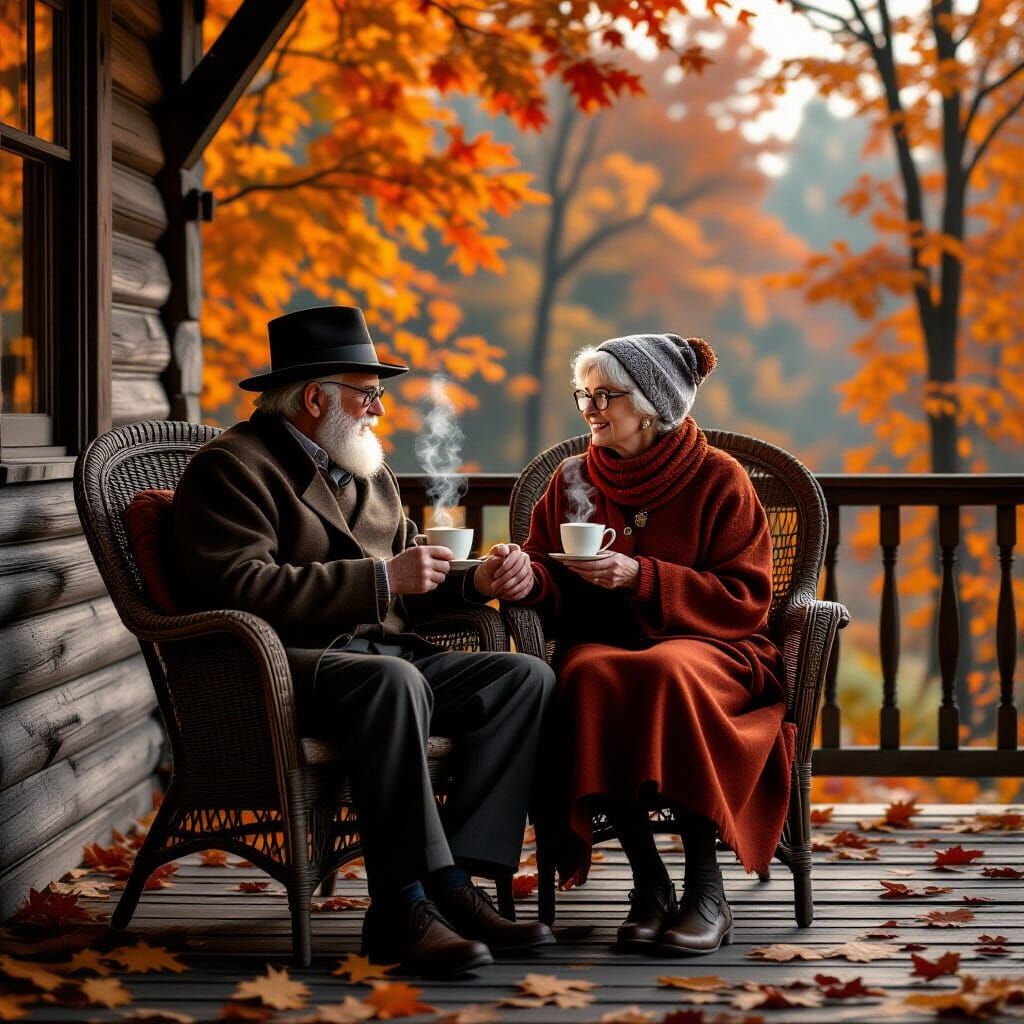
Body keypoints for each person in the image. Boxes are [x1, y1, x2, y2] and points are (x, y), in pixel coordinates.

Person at [172, 305, 555, 977]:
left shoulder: (369, 469)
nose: (379, 407)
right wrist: (379, 581)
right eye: (367, 392)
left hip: (384, 659)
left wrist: (476, 582)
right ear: (316, 397)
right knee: (396, 681)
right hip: (290, 666)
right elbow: (236, 585)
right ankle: (401, 908)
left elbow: (411, 575)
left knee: (524, 677)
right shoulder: (232, 467)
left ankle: (458, 882)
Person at [507, 333, 795, 956]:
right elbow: (548, 570)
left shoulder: (718, 478)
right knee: (587, 674)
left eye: (605, 395)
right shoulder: (572, 478)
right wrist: (524, 577)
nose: (590, 408)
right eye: (583, 394)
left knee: (666, 669)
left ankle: (707, 890)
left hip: (715, 647)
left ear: (650, 405)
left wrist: (643, 577)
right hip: (607, 646)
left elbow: (746, 598)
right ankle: (650, 884)